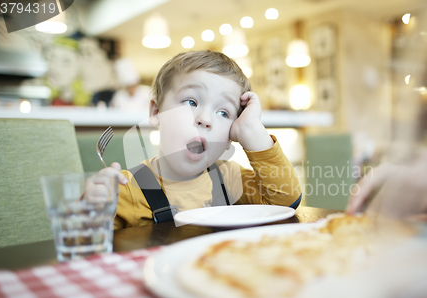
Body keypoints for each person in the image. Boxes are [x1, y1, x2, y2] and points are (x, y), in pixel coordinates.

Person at [85, 50, 302, 229]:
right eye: (190, 102)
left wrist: (253, 131)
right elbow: (87, 241)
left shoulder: (231, 179)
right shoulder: (125, 189)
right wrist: (92, 207)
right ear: (157, 111)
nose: (205, 119)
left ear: (230, 137)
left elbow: (286, 201)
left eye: (223, 113)